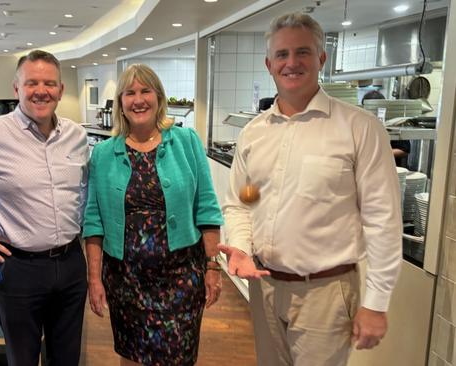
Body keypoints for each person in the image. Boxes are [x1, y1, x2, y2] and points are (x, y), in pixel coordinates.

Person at [219, 13, 402, 366]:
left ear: (321, 58)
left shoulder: (359, 128)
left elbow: (383, 220)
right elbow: (242, 202)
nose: (291, 63)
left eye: (302, 52)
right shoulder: (254, 133)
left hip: (326, 293)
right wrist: (241, 247)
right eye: (282, 55)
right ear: (269, 64)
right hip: (266, 286)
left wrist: (376, 304)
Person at [0, 50, 89, 366]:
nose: (41, 90)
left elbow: (84, 190)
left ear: (61, 90)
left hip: (71, 263)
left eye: (49, 83)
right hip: (18, 267)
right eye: (32, 82)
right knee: (22, 359)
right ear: (16, 89)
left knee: (67, 358)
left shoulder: (77, 137)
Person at [84, 64, 224, 366]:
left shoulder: (187, 142)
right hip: (125, 280)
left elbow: (207, 208)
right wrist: (94, 279)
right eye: (130, 93)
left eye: (146, 91)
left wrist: (213, 267)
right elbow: (93, 221)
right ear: (120, 102)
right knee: (132, 356)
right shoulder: (104, 153)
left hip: (181, 277)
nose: (138, 99)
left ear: (158, 97)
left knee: (179, 356)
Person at [361, 90, 411, 167]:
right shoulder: (362, 124)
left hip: (389, 168)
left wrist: (380, 154)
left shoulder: (393, 124)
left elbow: (404, 150)